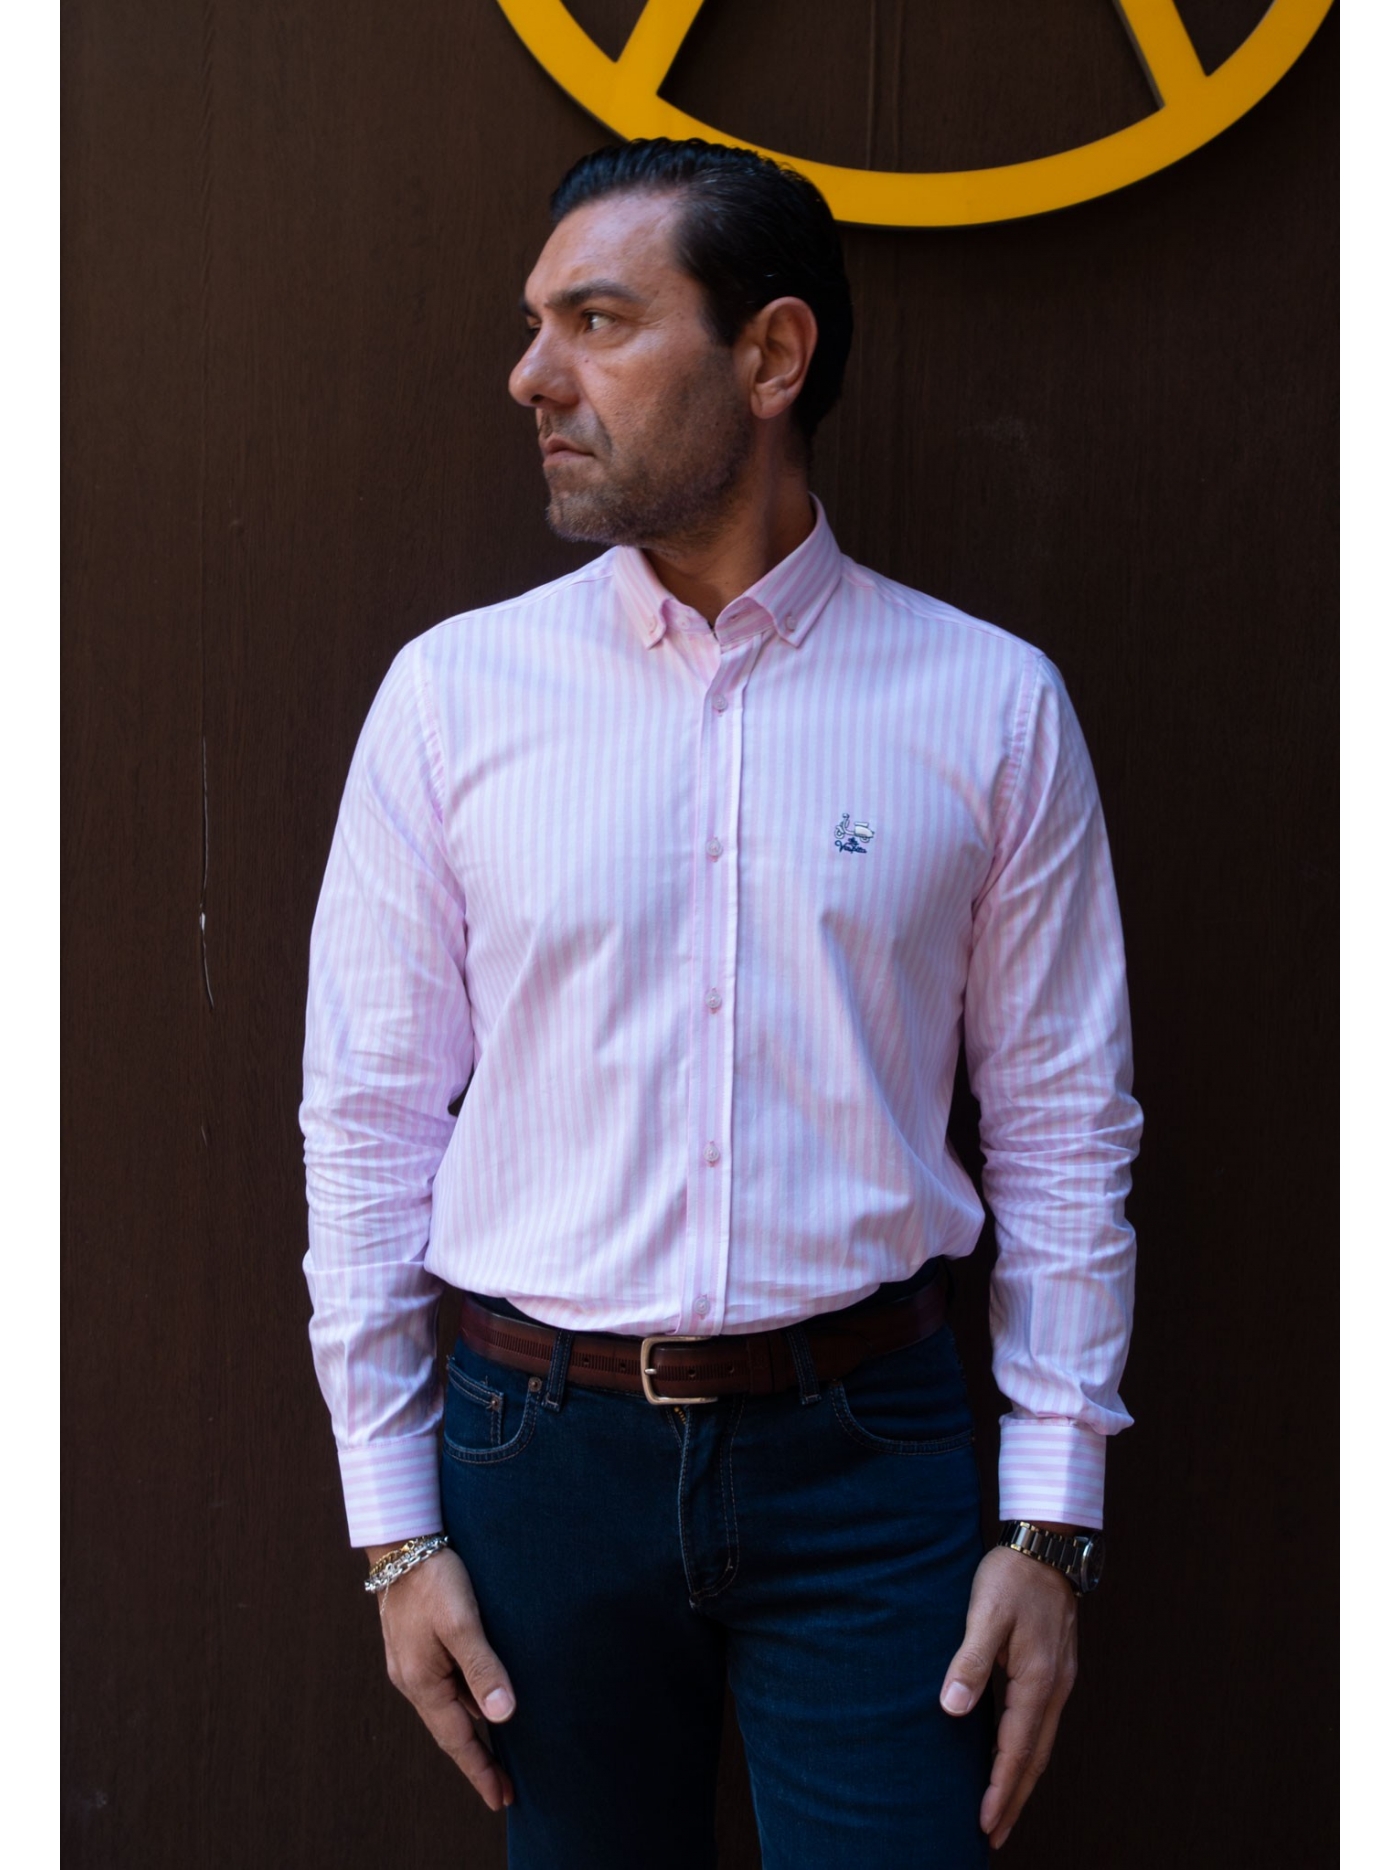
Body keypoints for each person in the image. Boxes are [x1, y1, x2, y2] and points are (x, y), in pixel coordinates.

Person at [301, 138, 1139, 1870]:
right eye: (536, 322)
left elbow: (1064, 1123)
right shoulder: (454, 698)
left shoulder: (988, 706)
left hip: (875, 1457)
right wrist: (393, 1528)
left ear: (771, 356)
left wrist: (1051, 1519)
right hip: (536, 1454)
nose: (532, 375)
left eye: (598, 321)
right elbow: (370, 1120)